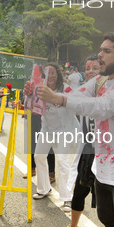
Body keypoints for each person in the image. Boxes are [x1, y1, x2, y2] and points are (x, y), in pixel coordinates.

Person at [37, 32, 114, 227]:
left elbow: (102, 107)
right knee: (107, 219)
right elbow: (79, 95)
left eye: (107, 51)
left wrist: (58, 98)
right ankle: (75, 226)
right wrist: (46, 94)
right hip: (101, 167)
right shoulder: (100, 82)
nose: (100, 55)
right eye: (100, 50)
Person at [54, 55, 101, 227]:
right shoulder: (82, 92)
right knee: (80, 190)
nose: (90, 71)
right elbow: (62, 100)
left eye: (95, 68)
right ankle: (73, 226)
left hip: (109, 154)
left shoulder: (113, 93)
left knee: (110, 203)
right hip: (89, 150)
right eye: (87, 68)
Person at [25, 63, 78, 213]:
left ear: (58, 75)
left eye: (53, 72)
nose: (50, 76)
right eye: (47, 73)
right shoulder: (39, 89)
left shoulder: (66, 89)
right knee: (39, 156)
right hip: (47, 129)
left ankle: (67, 198)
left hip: (65, 130)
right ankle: (44, 188)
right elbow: (29, 105)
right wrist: (27, 93)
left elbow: (76, 104)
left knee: (62, 161)